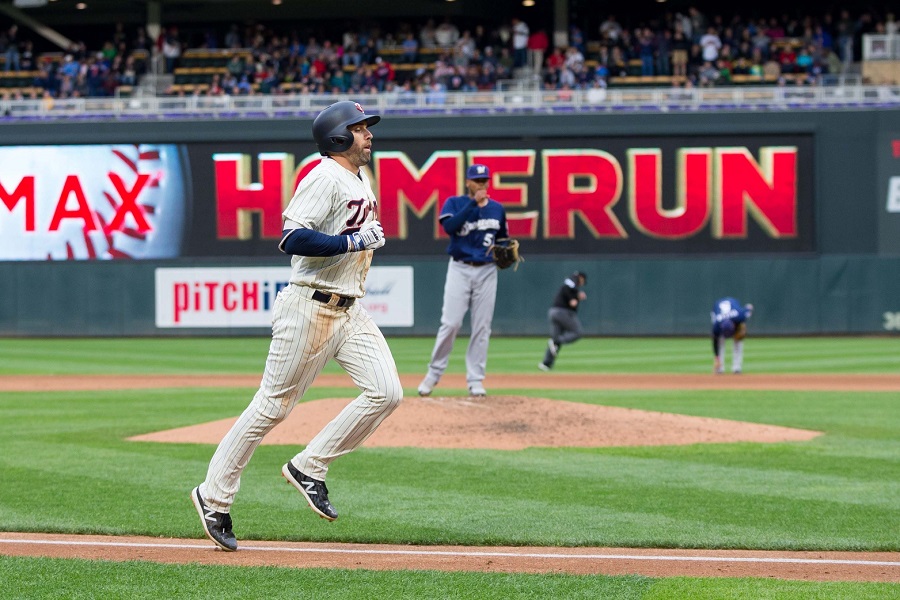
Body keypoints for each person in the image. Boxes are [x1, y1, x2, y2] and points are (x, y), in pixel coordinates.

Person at [191, 100, 403, 552]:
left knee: (387, 392)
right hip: (309, 307)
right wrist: (351, 240)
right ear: (338, 137)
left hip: (349, 309)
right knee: (271, 407)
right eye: (361, 129)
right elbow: (291, 236)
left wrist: (361, 238)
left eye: (367, 128)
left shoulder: (356, 178)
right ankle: (213, 496)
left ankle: (310, 465)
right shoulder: (323, 175)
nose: (369, 135)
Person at [417, 163, 510, 398]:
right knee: (451, 323)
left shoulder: (497, 209)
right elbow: (450, 226)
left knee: (482, 327)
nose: (481, 184)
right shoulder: (455, 203)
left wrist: (506, 249)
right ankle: (433, 374)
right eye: (477, 180)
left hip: (487, 271)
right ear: (468, 182)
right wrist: (473, 204)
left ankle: (476, 380)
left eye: (484, 180)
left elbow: (504, 239)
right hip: (460, 268)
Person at [538, 271, 587, 371]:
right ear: (581, 278)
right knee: (577, 332)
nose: (582, 283)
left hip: (553, 312)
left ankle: (546, 364)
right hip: (562, 312)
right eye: (583, 281)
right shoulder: (573, 280)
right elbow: (567, 288)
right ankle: (556, 341)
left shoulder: (572, 284)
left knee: (555, 342)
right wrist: (572, 298)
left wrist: (577, 295)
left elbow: (569, 289)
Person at [711, 297, 753, 374]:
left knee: (738, 340)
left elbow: (749, 308)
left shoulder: (740, 316)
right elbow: (715, 342)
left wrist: (748, 307)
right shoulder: (717, 325)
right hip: (717, 308)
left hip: (733, 306)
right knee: (720, 342)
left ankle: (737, 368)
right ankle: (719, 368)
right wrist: (717, 358)